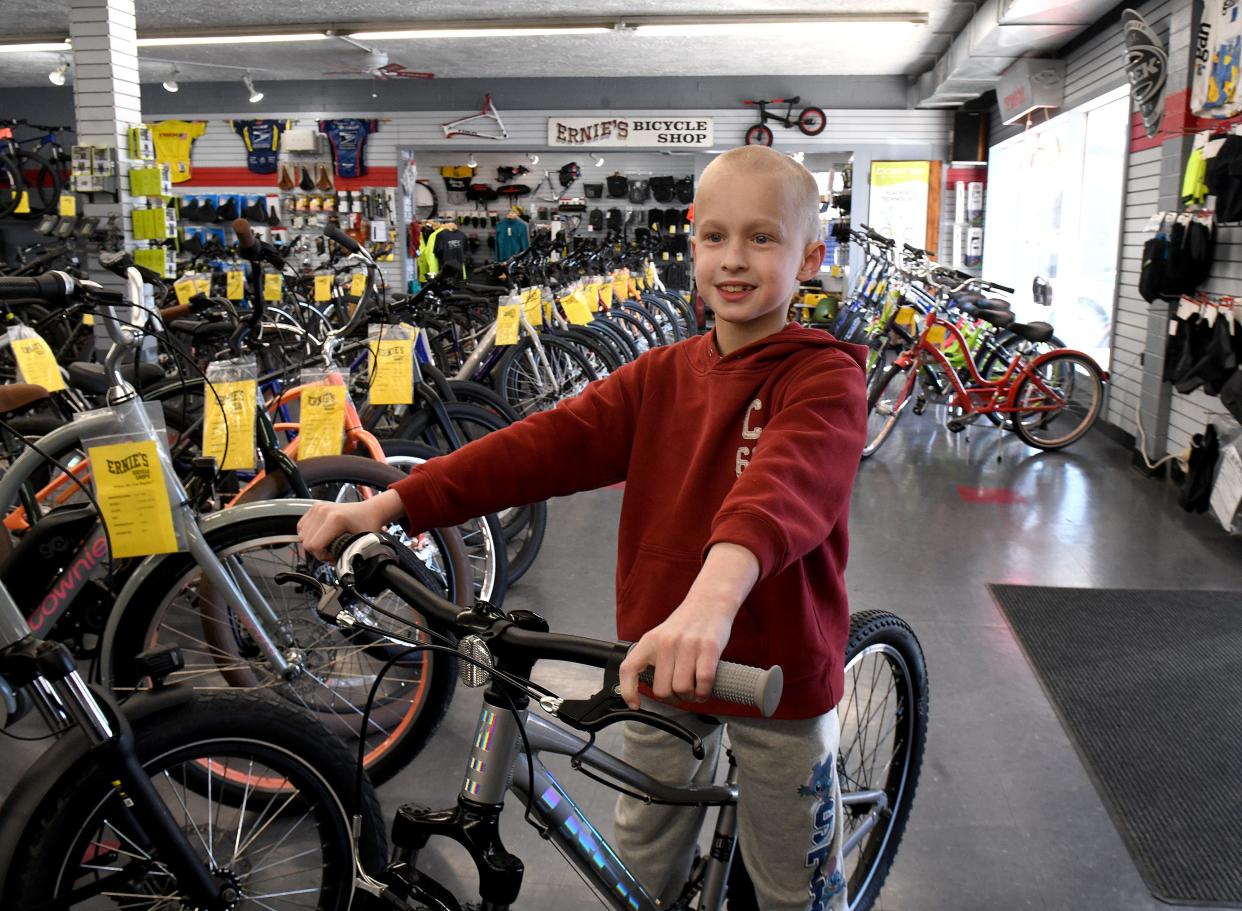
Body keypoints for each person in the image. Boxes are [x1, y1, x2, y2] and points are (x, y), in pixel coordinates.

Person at [298, 144, 867, 911]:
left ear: (810, 258)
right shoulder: (662, 375)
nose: (735, 259)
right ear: (692, 242)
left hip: (776, 677)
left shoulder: (824, 376)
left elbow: (782, 487)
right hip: (660, 659)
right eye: (716, 237)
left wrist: (710, 602)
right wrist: (392, 503)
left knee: (794, 885)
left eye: (763, 238)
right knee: (642, 864)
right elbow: (537, 447)